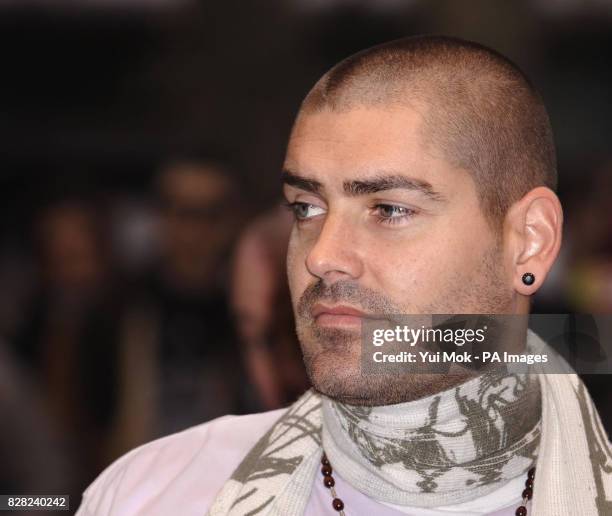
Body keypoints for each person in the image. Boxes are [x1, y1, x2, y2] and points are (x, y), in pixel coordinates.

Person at [76, 36, 612, 516]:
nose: (322, 255)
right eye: (305, 207)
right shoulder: (152, 495)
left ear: (530, 240)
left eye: (389, 209)